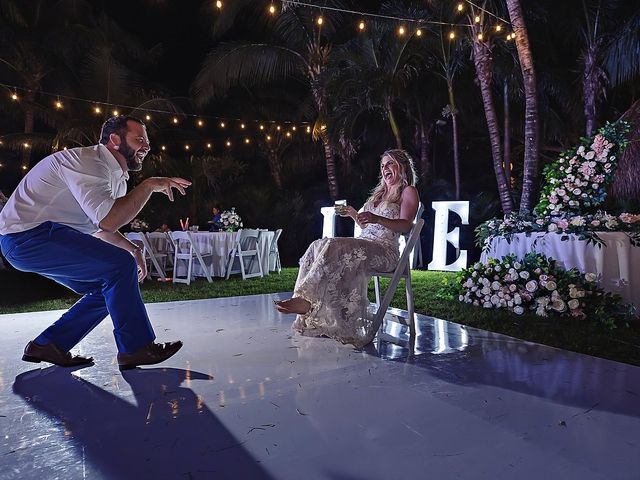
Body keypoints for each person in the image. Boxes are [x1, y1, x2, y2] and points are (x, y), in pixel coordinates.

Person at [0, 115, 192, 370]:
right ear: (115, 139)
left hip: (37, 238)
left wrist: (133, 249)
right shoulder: (88, 162)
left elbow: (98, 227)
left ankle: (49, 344)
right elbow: (108, 221)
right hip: (27, 236)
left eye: (146, 141)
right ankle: (136, 348)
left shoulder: (115, 177)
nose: (147, 146)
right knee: (119, 267)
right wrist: (148, 186)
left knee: (111, 285)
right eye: (139, 139)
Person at [274, 149, 419, 348]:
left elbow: (406, 226)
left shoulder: (408, 191)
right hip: (366, 243)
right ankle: (302, 299)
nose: (385, 168)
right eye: (383, 165)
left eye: (390, 164)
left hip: (385, 250)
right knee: (318, 244)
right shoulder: (379, 194)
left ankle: (307, 302)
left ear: (401, 167)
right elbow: (367, 227)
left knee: (334, 245)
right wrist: (353, 214)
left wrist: (377, 218)